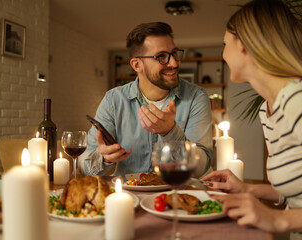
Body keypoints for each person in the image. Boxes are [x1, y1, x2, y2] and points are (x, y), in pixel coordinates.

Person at [201, 0, 302, 239]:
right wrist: (247, 189)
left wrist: (278, 218)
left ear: (244, 46)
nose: (223, 53)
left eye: (225, 43)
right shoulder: (268, 109)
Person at [79, 22, 213, 178]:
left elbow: (201, 167)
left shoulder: (196, 97)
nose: (174, 63)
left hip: (176, 195)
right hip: (128, 198)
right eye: (161, 56)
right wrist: (103, 159)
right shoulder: (113, 100)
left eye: (174, 53)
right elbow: (84, 163)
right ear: (137, 65)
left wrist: (170, 133)